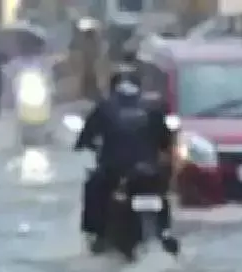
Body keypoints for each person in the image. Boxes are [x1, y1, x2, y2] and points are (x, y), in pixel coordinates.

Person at [74, 71, 179, 255]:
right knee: (162, 192)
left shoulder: (104, 107)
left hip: (114, 172)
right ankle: (165, 231)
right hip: (149, 173)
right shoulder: (153, 108)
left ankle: (96, 235)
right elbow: (166, 141)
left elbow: (84, 139)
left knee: (93, 186)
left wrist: (87, 144)